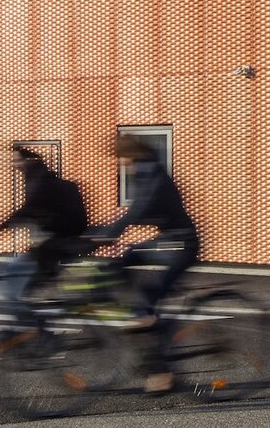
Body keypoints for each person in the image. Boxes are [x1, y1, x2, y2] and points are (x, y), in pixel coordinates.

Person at [85, 133, 202, 393]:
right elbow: (136, 212)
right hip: (166, 241)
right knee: (125, 260)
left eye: (122, 158)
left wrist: (111, 232)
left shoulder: (155, 176)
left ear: (132, 155)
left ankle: (161, 370)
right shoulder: (145, 173)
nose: (120, 164)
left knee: (149, 298)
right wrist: (101, 231)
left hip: (181, 245)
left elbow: (139, 210)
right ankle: (139, 316)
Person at [0, 145, 89, 319]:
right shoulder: (44, 180)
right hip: (53, 248)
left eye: (16, 160)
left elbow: (19, 216)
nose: (13, 164)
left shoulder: (39, 184)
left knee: (7, 292)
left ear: (27, 161)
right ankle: (29, 331)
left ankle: (39, 333)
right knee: (4, 279)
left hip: (49, 251)